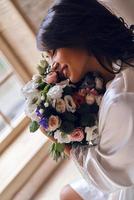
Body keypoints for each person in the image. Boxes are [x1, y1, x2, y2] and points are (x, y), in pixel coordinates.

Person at [36, 0, 134, 199]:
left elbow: (105, 178)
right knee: (67, 193)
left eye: (54, 51)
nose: (53, 65)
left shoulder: (120, 101)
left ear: (79, 35)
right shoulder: (118, 68)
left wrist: (60, 140)